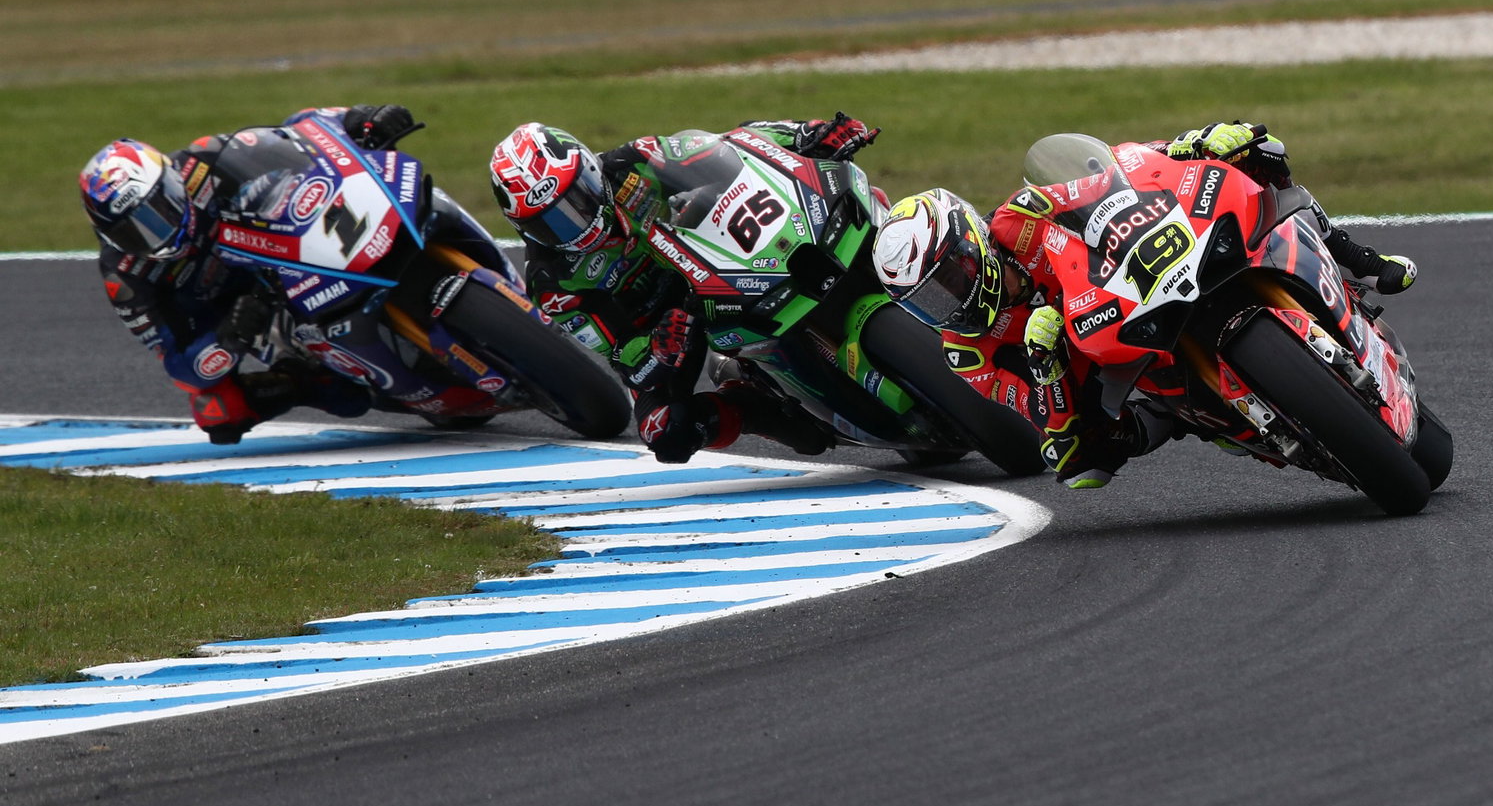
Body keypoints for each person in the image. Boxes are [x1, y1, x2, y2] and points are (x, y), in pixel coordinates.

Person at [870, 121, 1418, 488]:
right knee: (1083, 462)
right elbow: (1049, 429)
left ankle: (1359, 257)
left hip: (1140, 286)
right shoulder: (969, 352)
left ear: (972, 244)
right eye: (927, 301)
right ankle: (1215, 416)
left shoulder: (1020, 218)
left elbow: (1113, 175)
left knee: (1255, 159)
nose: (949, 301)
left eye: (949, 278)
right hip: (1116, 375)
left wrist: (1189, 145)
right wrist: (1046, 365)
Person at [488, 113, 879, 464]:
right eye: (549, 222)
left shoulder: (636, 160)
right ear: (522, 227)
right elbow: (619, 351)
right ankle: (769, 407)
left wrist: (806, 134)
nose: (576, 222)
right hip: (668, 322)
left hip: (725, 262)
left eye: (578, 198)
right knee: (665, 431)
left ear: (590, 169)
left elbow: (735, 144)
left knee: (849, 194)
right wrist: (655, 350)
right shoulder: (550, 283)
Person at [79, 104, 421, 444]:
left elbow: (299, 132)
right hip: (252, 312)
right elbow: (182, 369)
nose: (155, 232)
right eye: (132, 231)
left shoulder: (202, 161)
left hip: (291, 246)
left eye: (159, 210)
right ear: (108, 234)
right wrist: (229, 336)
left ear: (171, 182)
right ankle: (307, 380)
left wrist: (362, 118)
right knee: (217, 409)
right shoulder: (124, 276)